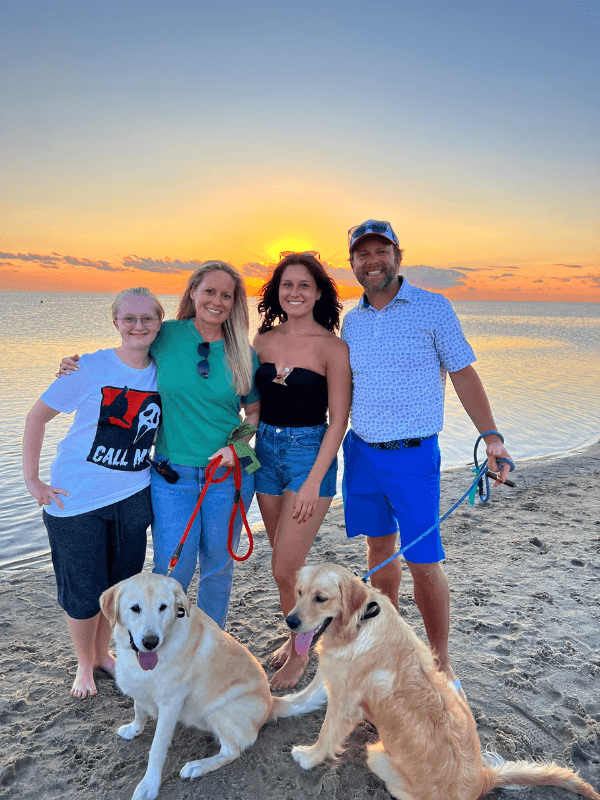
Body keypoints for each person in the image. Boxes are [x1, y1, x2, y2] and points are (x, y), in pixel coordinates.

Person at [341, 220, 514, 696]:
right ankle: (384, 641)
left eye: (380, 251)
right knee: (379, 551)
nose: (371, 260)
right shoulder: (350, 319)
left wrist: (492, 437)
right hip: (361, 452)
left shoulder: (433, 307)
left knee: (423, 560)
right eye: (361, 254)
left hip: (413, 457)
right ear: (352, 262)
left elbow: (464, 374)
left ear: (398, 255)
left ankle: (441, 665)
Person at [57, 262, 260, 631]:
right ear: (193, 293)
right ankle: (161, 641)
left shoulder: (244, 352)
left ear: (235, 303)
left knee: (217, 565)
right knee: (170, 567)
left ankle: (210, 645)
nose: (216, 301)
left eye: (226, 295)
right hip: (171, 476)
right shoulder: (165, 335)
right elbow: (124, 354)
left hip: (229, 475)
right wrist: (76, 364)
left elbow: (253, 412)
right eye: (209, 291)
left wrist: (238, 448)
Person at [23, 287, 164, 699]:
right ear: (115, 322)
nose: (138, 326)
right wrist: (32, 481)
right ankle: (84, 664)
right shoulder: (89, 368)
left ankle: (104, 654)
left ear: (160, 322)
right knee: (84, 591)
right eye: (129, 318)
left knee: (118, 588)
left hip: (135, 496)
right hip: (77, 500)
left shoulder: (162, 370)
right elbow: (36, 418)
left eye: (147, 318)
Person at [253, 253, 351, 690]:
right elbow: (242, 399)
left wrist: (314, 480)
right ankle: (299, 632)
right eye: (287, 285)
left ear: (318, 293)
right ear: (277, 290)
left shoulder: (333, 347)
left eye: (304, 286)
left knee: (284, 566)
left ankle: (298, 656)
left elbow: (339, 420)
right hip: (264, 451)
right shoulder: (262, 341)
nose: (294, 292)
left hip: (309, 454)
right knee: (284, 565)